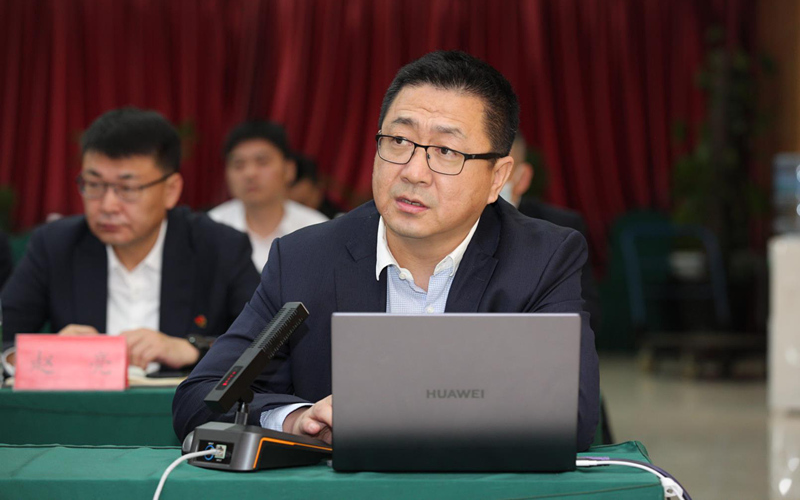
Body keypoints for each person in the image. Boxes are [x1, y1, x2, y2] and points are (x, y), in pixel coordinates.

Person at [173, 51, 600, 451]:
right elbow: (200, 400)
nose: (413, 172)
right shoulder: (304, 259)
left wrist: (400, 419)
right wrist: (296, 420)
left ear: (497, 178)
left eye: (445, 151)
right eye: (398, 141)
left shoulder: (541, 258)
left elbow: (570, 416)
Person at [1, 107, 260, 372]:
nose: (108, 205)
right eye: (94, 185)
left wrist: (194, 348)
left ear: (171, 190)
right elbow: (4, 337)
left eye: (127, 188)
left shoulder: (220, 247)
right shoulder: (55, 245)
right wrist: (46, 354)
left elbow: (265, 343)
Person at [500, 134, 603, 331]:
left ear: (523, 179)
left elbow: (585, 312)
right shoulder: (450, 225)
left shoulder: (561, 230)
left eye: (501, 171)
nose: (491, 180)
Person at [209, 121, 328, 271]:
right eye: (239, 165)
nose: (250, 173)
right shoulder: (210, 229)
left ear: (289, 170)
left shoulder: (317, 229)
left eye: (262, 162)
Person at [287, 153, 345, 219]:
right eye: (297, 205)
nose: (302, 210)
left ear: (318, 187)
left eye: (303, 203)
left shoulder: (339, 218)